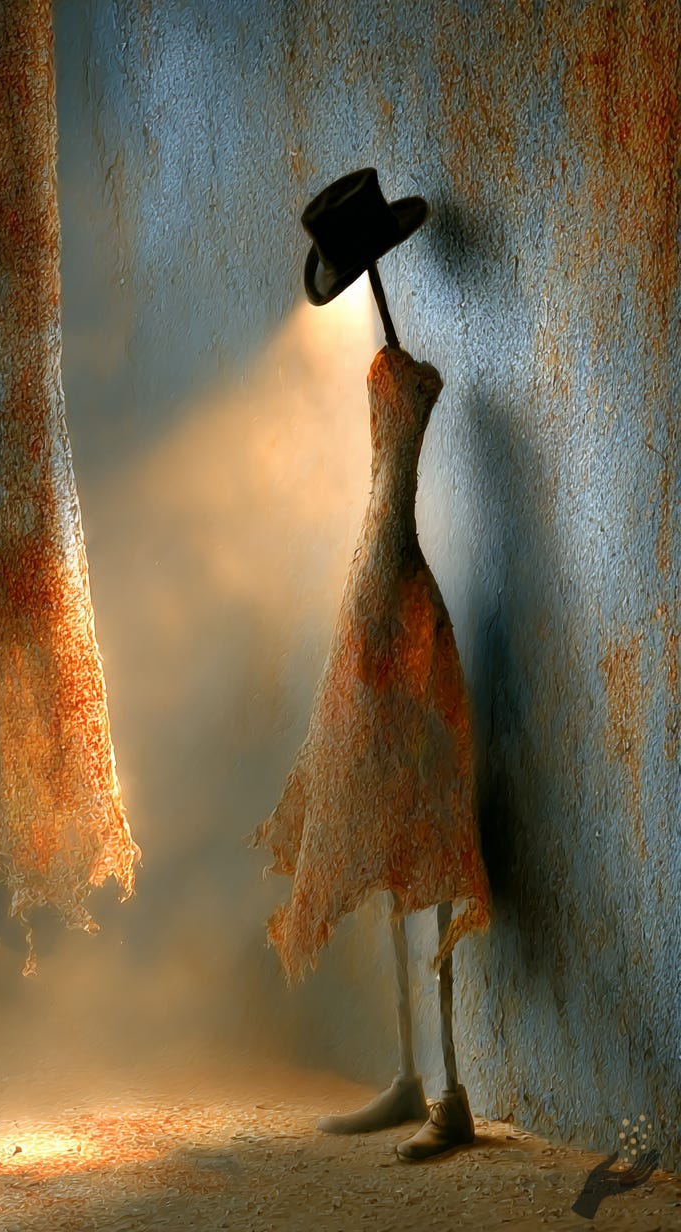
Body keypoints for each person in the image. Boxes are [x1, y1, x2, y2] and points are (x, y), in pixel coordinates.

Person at [252, 169, 490, 1162]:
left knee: (424, 836)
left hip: (398, 605)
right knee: (388, 830)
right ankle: (408, 1075)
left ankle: (452, 1093)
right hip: (375, 603)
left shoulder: (404, 376)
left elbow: (394, 504)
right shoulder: (389, 365)